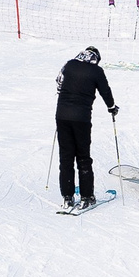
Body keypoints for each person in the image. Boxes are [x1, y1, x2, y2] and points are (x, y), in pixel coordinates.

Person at [54, 45, 118, 209]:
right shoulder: (96, 71)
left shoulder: (69, 64)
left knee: (66, 157)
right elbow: (105, 91)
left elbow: (59, 83)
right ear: (95, 58)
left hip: (62, 116)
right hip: (81, 119)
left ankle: (67, 197)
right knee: (83, 157)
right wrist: (112, 107)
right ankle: (86, 196)